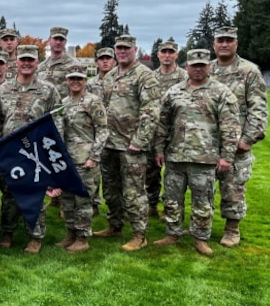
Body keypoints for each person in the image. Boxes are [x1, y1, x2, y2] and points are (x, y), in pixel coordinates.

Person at [153, 49, 241, 255]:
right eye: (194, 65)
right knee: (172, 200)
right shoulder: (173, 92)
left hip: (204, 158)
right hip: (175, 157)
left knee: (203, 202)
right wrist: (158, 149)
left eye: (202, 65)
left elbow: (230, 127)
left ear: (209, 67)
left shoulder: (221, 92)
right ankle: (172, 233)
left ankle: (200, 238)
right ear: (187, 66)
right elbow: (162, 124)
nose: (198, 69)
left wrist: (227, 157)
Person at [93, 34, 160, 251]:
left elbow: (151, 112)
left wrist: (139, 141)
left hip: (131, 145)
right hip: (109, 144)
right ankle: (115, 224)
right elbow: (102, 108)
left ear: (135, 49)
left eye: (126, 48)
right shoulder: (110, 76)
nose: (122, 51)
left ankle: (139, 235)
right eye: (119, 48)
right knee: (111, 189)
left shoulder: (144, 76)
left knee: (134, 192)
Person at [0, 44, 62, 253]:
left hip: (35, 151)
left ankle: (35, 236)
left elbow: (57, 120)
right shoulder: (4, 89)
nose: (26, 63)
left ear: (36, 62)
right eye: (23, 59)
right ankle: (7, 231)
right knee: (8, 193)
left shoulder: (48, 90)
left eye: (30, 60)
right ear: (17, 62)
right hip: (9, 150)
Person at [209, 25, 268, 247]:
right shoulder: (207, 69)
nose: (224, 44)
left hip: (235, 143)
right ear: (214, 44)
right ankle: (200, 225)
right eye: (220, 40)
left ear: (236, 43)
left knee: (233, 187)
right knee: (202, 187)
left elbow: (259, 109)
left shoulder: (249, 71)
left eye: (229, 40)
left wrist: (247, 139)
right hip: (206, 142)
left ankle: (232, 229)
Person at [56, 64, 108, 253]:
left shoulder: (93, 102)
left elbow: (103, 130)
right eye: (72, 78)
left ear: (85, 81)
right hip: (67, 159)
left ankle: (82, 237)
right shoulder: (63, 103)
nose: (75, 82)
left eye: (79, 78)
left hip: (86, 160)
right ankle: (70, 234)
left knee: (83, 200)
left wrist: (94, 156)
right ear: (67, 80)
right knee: (68, 200)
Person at [147, 40, 186, 219]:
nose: (167, 55)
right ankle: (151, 205)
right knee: (150, 172)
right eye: (164, 52)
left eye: (171, 52)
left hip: (177, 134)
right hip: (153, 132)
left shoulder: (185, 77)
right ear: (158, 54)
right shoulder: (150, 77)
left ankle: (170, 209)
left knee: (174, 175)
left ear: (177, 54)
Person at [85, 46, 116, 215]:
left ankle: (117, 209)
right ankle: (94, 203)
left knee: (112, 174)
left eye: (108, 58)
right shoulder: (90, 84)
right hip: (94, 133)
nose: (105, 61)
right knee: (93, 171)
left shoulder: (118, 81)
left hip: (116, 133)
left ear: (114, 61)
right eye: (102, 58)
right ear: (97, 62)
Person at [37, 26, 79, 94]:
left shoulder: (74, 65)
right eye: (55, 39)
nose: (58, 42)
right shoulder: (41, 67)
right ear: (49, 40)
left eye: (61, 39)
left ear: (65, 42)